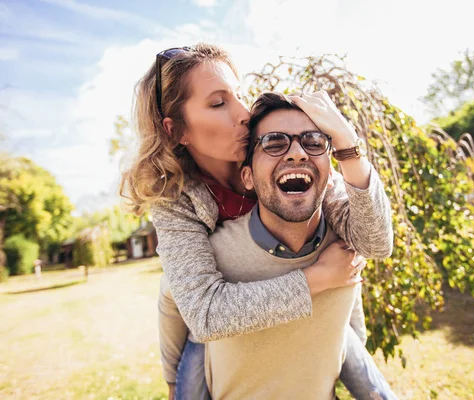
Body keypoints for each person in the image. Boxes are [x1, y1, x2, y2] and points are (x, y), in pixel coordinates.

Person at [120, 43, 393, 398]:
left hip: (312, 310)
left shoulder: (280, 155)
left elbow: (370, 243)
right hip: (211, 324)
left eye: (239, 95)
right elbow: (202, 313)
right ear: (175, 130)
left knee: (362, 366)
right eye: (218, 104)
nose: (243, 113)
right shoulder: (177, 197)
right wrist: (319, 277)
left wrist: (346, 144)